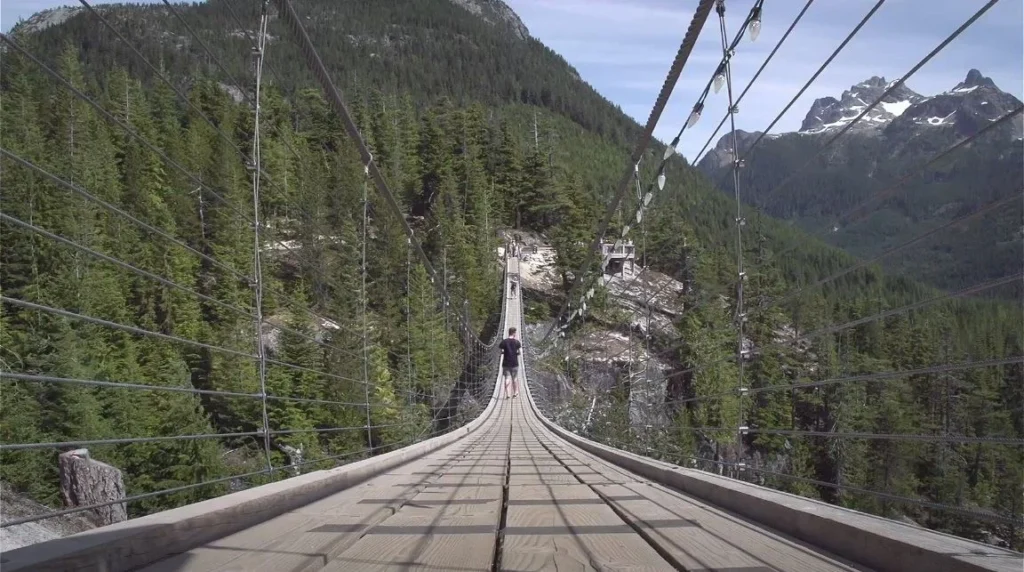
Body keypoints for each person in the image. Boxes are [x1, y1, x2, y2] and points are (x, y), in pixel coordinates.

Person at [498, 327, 521, 399]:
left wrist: (503, 352)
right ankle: (516, 392)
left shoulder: (504, 342)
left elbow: (500, 350)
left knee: (507, 378)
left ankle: (508, 394)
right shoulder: (517, 342)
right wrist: (516, 353)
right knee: (514, 378)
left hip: (506, 363)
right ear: (514, 333)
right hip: (514, 363)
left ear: (509, 332)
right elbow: (520, 352)